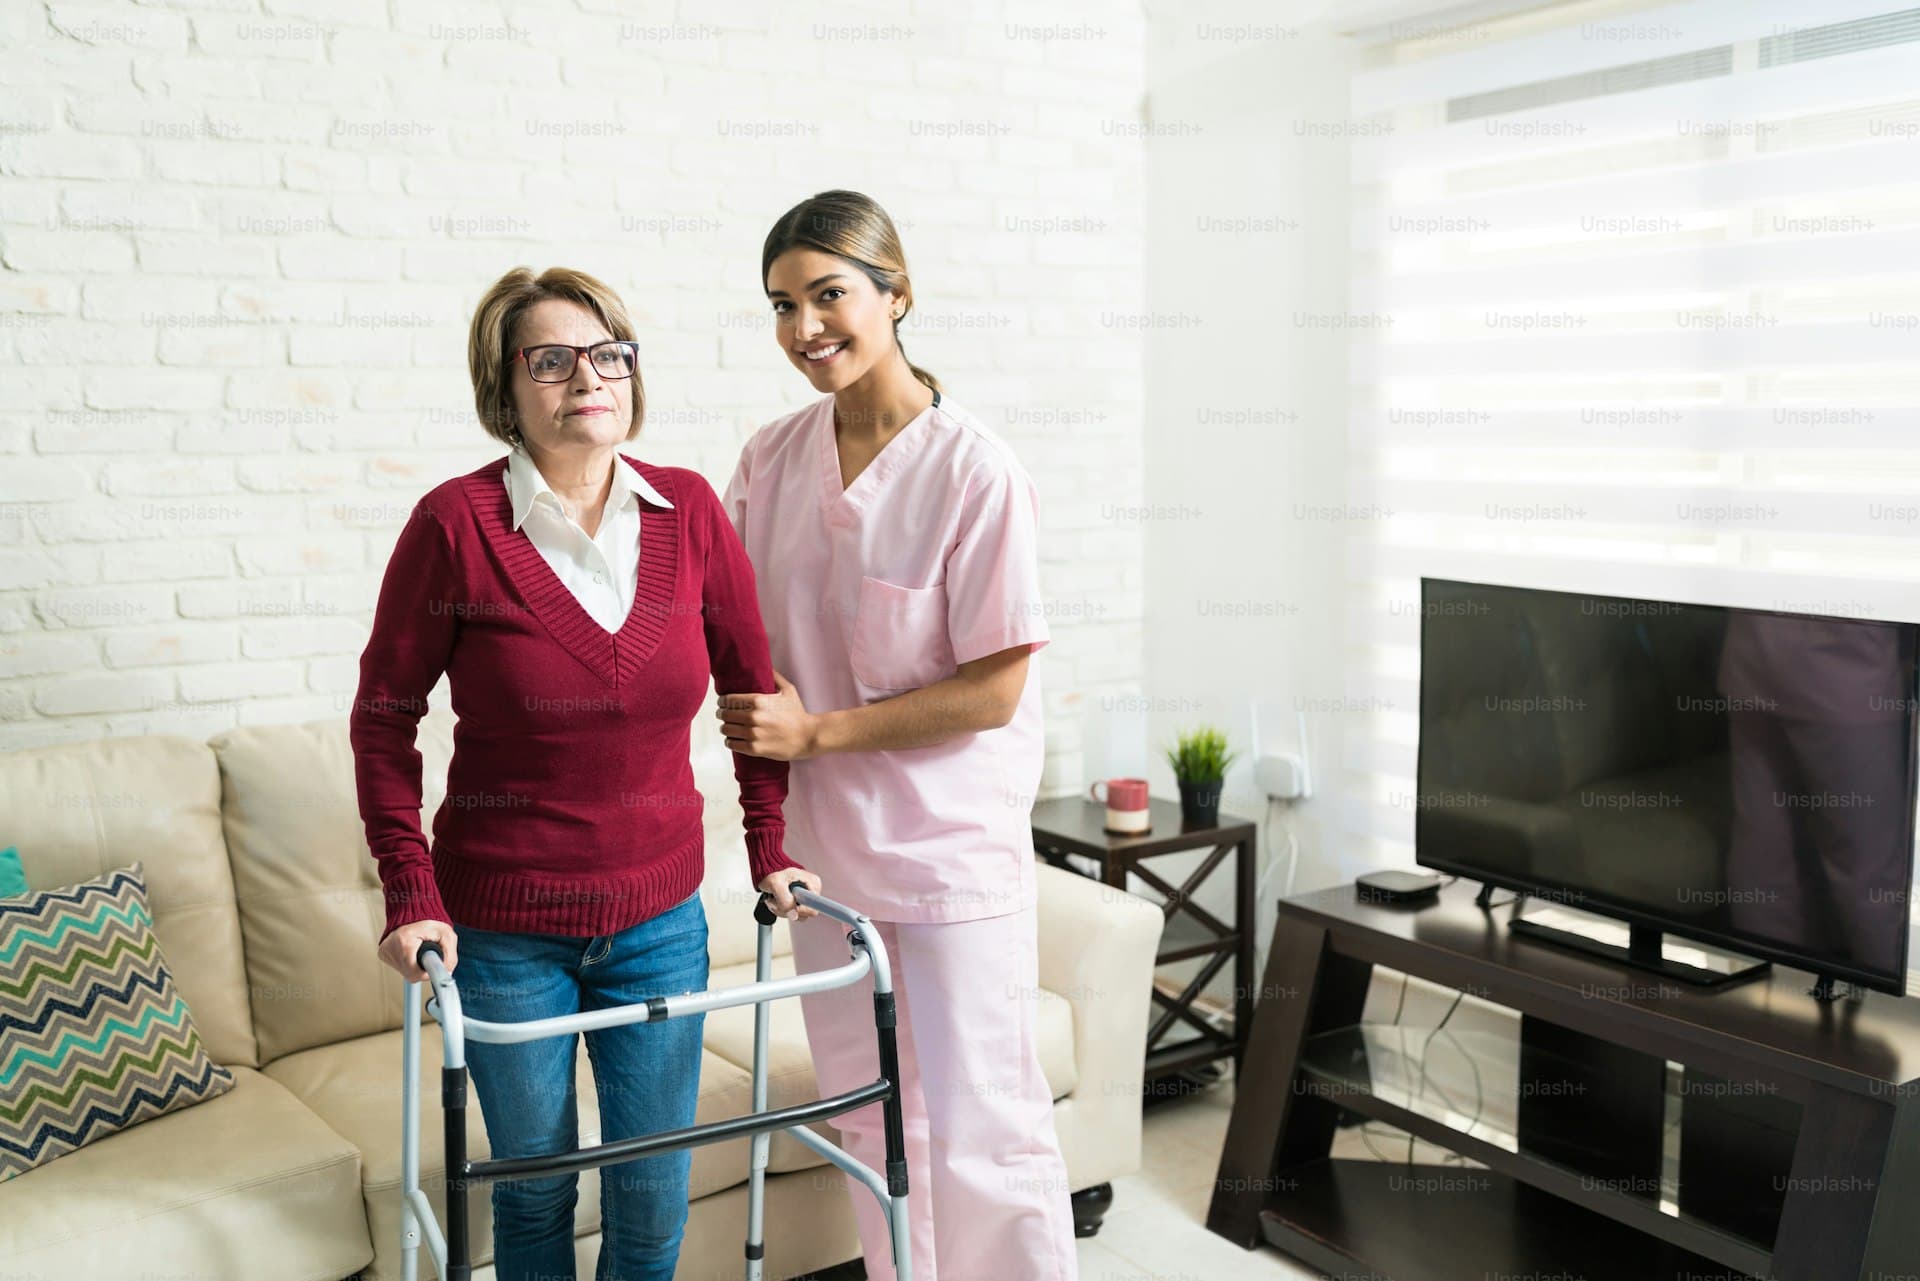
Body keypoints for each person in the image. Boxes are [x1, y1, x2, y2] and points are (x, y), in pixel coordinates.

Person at [351, 265, 820, 1281]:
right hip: (503, 934)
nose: (588, 377)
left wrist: (770, 845)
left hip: (660, 925)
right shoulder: (453, 526)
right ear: (504, 386)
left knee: (653, 1195)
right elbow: (385, 717)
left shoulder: (689, 510)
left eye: (609, 354)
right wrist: (408, 891)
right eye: (552, 360)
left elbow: (752, 692)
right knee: (535, 1192)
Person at [717, 191, 1077, 1281]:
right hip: (829, 865)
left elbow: (993, 691)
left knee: (985, 1130)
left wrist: (816, 732)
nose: (804, 326)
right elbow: (720, 625)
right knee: (872, 1122)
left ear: (897, 293)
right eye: (782, 305)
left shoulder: (975, 471)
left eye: (829, 294)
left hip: (949, 857)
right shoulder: (770, 460)